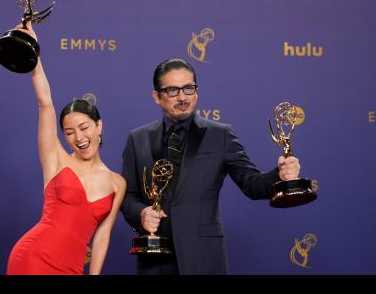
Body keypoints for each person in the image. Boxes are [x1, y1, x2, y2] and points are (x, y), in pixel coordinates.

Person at [120, 58, 300, 275]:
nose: (182, 97)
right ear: (156, 96)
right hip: (155, 260)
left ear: (197, 92)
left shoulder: (221, 135)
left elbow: (252, 184)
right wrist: (141, 214)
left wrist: (279, 175)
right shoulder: (137, 139)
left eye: (188, 88)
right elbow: (128, 196)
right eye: (172, 90)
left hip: (204, 258)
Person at [6, 22, 126, 275]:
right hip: (33, 258)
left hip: (71, 268)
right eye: (69, 132)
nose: (79, 137)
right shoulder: (56, 159)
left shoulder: (117, 183)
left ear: (99, 126)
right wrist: (33, 52)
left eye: (84, 128)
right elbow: (45, 102)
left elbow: (102, 237)